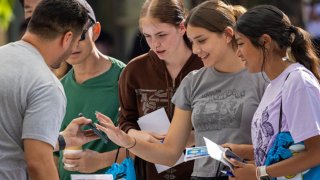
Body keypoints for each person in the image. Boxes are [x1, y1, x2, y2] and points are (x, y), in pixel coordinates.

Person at [96, 1, 267, 179]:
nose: (196, 49)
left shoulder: (264, 77)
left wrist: (256, 168)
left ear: (227, 35)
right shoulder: (192, 81)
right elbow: (169, 154)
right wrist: (128, 141)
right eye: (193, 42)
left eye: (201, 40)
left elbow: (287, 147)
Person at [225, 5, 320, 180]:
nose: (238, 52)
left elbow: (316, 153)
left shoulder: (298, 82)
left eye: (240, 43)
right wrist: (243, 151)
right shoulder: (275, 84)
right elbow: (280, 148)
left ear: (265, 42)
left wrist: (258, 174)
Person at [0, 0, 88, 179]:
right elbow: (39, 163)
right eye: (77, 41)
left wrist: (62, 140)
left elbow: (10, 139)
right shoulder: (46, 85)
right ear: (68, 37)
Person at [118, 0, 203, 179]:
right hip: (149, 173)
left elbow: (228, 124)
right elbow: (125, 121)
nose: (154, 44)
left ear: (182, 27)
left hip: (203, 172)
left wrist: (191, 137)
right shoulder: (134, 70)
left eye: (161, 35)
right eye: (147, 36)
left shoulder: (205, 65)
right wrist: (139, 136)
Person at [53, 0, 127, 179]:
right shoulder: (56, 89)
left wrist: (102, 160)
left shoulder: (126, 79)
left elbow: (152, 144)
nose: (73, 45)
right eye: (64, 37)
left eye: (80, 35)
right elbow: (52, 155)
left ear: (96, 31)